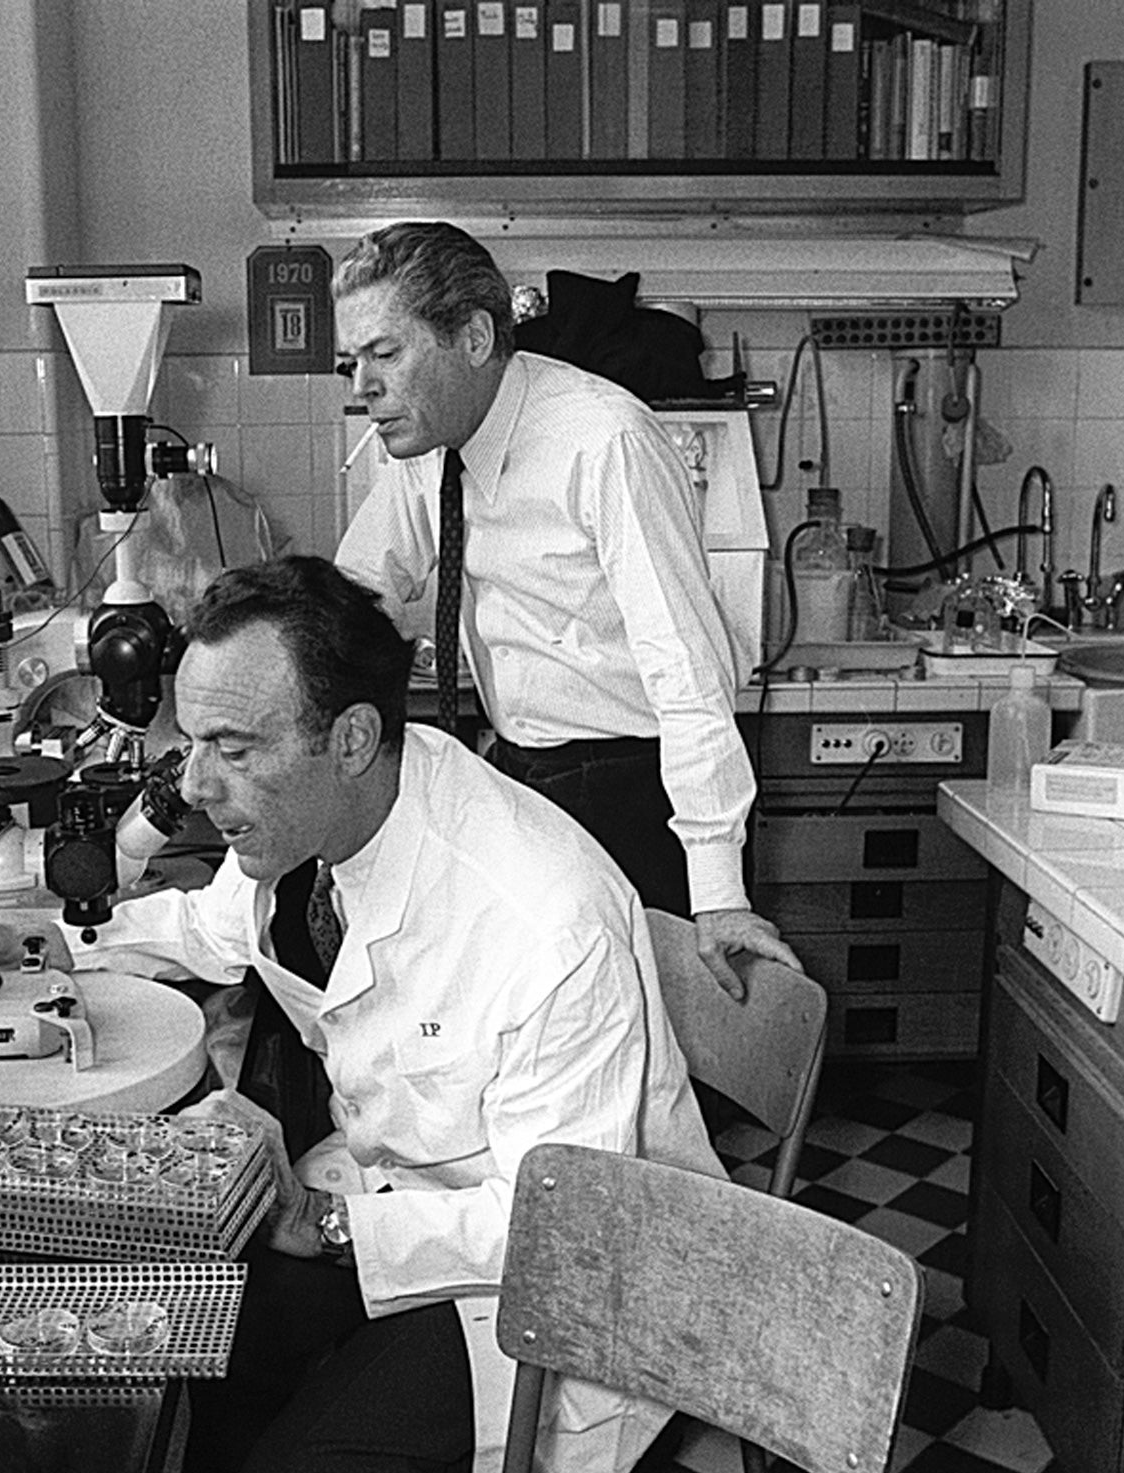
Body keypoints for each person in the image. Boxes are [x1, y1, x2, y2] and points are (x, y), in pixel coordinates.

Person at [76, 556, 723, 1473]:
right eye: (193, 744)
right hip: (398, 1189)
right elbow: (213, 929)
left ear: (350, 737)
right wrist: (60, 940)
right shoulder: (327, 819)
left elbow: (564, 1222)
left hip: (539, 1267)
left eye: (232, 748)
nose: (197, 786)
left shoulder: (542, 920)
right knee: (192, 1343)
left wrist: (325, 1226)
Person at [330, 220, 799, 1001]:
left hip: (635, 794)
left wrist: (715, 889)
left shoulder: (603, 440)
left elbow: (687, 670)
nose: (362, 388)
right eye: (354, 363)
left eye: (385, 354)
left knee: (639, 1069)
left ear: (474, 337)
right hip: (522, 776)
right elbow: (353, 595)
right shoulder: (429, 444)